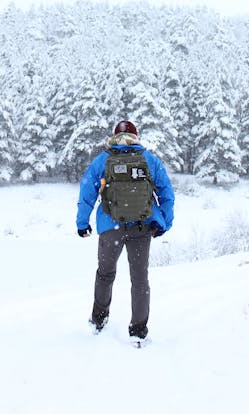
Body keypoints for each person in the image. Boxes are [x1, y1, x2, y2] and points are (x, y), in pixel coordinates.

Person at [76, 119, 175, 342]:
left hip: (111, 226)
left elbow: (86, 192)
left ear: (114, 137)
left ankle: (99, 320)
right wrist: (164, 223)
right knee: (139, 279)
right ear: (135, 136)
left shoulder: (104, 159)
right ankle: (138, 331)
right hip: (141, 227)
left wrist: (82, 223)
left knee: (105, 274)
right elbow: (166, 192)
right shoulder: (149, 159)